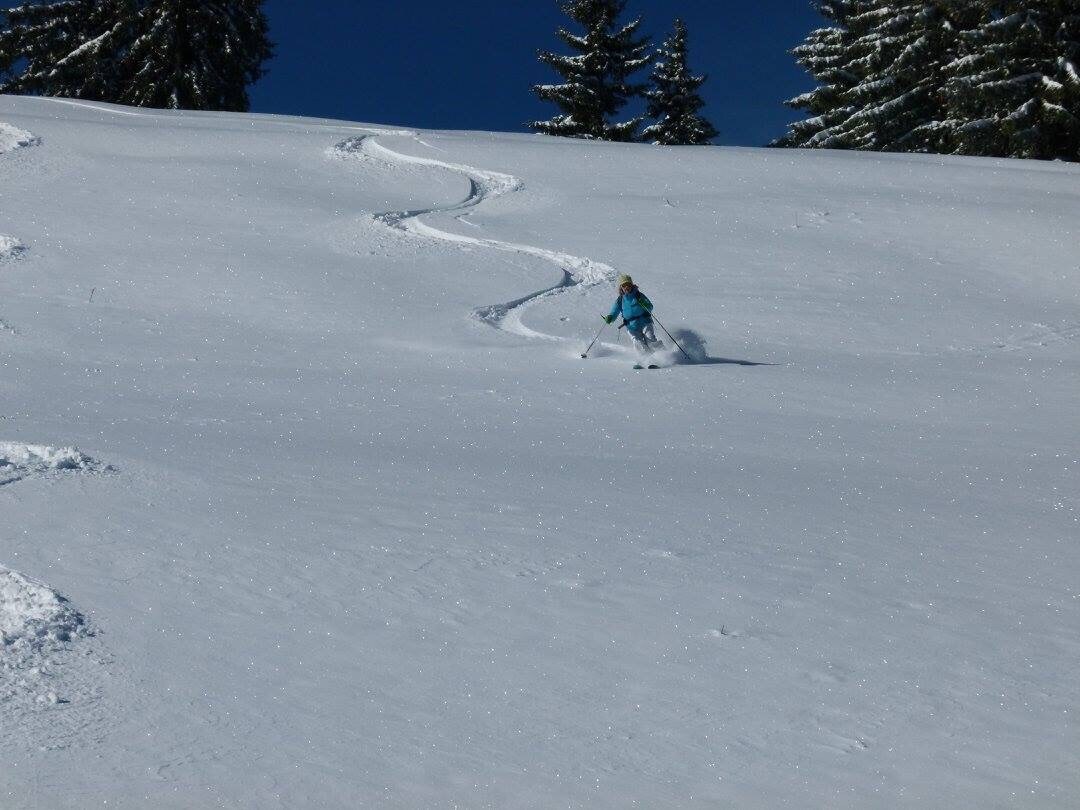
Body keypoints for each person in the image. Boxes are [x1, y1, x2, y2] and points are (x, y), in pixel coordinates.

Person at [604, 274, 662, 354]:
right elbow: (614, 312)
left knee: (650, 339)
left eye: (628, 284)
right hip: (631, 326)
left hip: (645, 322)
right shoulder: (620, 300)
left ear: (631, 285)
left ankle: (662, 355)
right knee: (637, 343)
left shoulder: (639, 295)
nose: (626, 287)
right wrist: (610, 318)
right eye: (624, 285)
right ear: (621, 287)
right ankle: (645, 360)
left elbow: (650, 307)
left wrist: (645, 304)